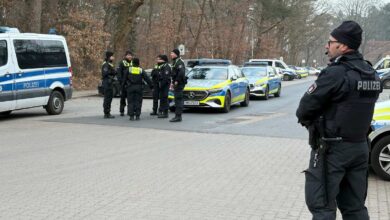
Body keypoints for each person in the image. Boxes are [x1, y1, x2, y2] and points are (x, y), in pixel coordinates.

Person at [296, 21, 381, 220]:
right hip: (360, 148)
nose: (327, 46)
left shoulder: (336, 73)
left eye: (330, 42)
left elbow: (304, 110)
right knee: (355, 208)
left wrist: (313, 124)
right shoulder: (371, 73)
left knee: (323, 207)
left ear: (342, 45)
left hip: (332, 150)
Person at [170, 49, 187, 122]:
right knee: (177, 99)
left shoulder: (179, 62)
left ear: (176, 54)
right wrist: (172, 82)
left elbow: (181, 72)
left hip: (179, 84)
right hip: (176, 83)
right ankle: (177, 115)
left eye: (172, 53)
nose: (171, 54)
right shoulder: (175, 62)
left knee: (178, 100)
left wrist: (176, 81)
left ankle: (178, 116)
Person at [117, 51, 133, 116]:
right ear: (125, 56)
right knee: (123, 98)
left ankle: (130, 111)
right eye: (128, 55)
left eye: (130, 55)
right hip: (124, 84)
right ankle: (122, 111)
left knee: (130, 98)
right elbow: (119, 74)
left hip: (131, 84)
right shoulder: (122, 63)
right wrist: (121, 82)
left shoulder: (133, 63)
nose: (129, 56)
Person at [101, 51, 116, 119]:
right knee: (107, 98)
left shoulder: (109, 64)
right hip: (107, 83)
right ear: (109, 57)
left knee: (109, 98)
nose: (113, 57)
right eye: (112, 56)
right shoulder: (106, 64)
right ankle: (106, 113)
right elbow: (105, 73)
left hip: (109, 83)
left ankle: (108, 112)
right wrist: (113, 72)